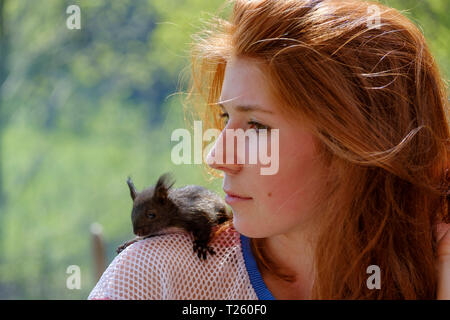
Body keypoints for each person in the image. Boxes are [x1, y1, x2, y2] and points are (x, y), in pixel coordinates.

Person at [88, 0, 450, 299]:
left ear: (357, 142)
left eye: (257, 126)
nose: (217, 157)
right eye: (225, 116)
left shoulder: (429, 273)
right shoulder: (154, 278)